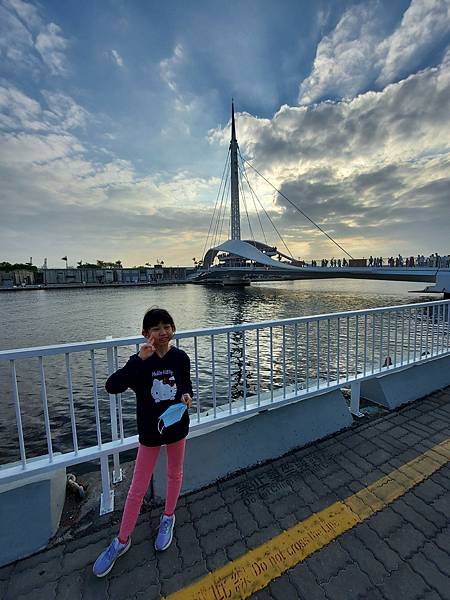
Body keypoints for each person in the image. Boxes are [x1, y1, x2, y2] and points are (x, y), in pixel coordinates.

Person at [93, 307, 193, 577]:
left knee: (175, 474)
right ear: (145, 334)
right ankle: (121, 541)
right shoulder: (141, 363)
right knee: (137, 487)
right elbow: (112, 386)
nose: (163, 332)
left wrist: (185, 395)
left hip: (176, 427)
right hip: (150, 432)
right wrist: (138, 359)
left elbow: (185, 385)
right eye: (156, 328)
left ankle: (168, 517)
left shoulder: (180, 358)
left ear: (173, 329)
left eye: (167, 326)